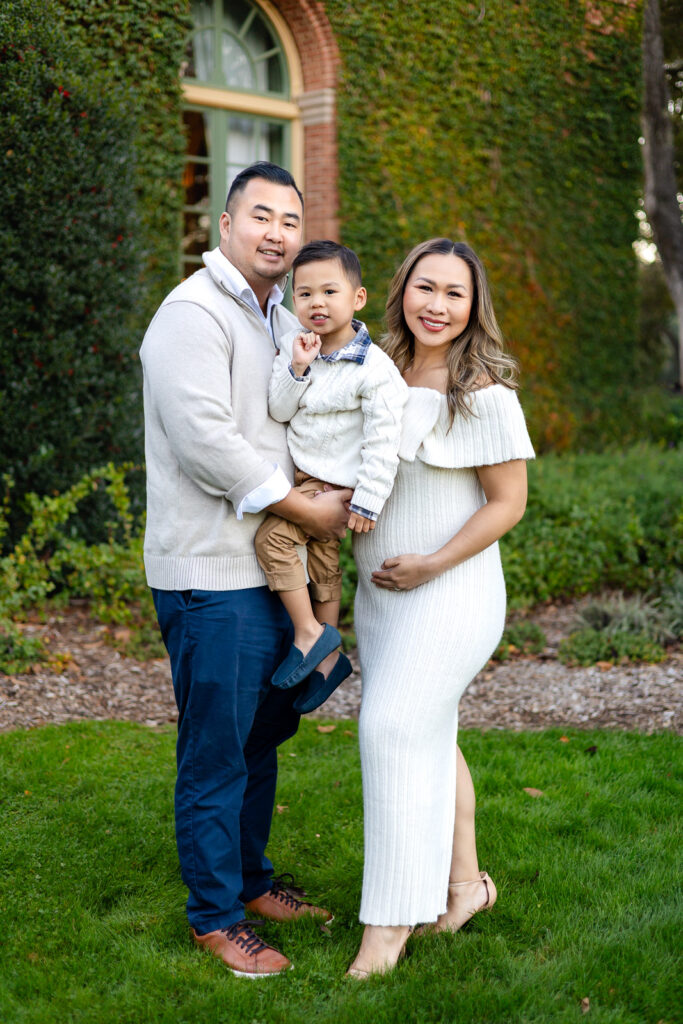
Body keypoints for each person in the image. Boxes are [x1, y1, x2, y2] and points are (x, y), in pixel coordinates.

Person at [140, 162, 352, 978]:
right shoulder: (191, 314)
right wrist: (304, 510)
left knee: (262, 739)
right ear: (223, 225)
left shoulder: (272, 314)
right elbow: (204, 442)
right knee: (217, 751)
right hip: (210, 576)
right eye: (260, 215)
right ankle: (215, 917)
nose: (276, 232)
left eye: (290, 220)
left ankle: (253, 883)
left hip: (265, 573)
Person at [347, 238, 535, 978]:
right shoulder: (375, 371)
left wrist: (429, 563)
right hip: (380, 601)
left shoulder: (481, 387)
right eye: (424, 288)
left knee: (391, 727)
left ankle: (388, 925)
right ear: (400, 292)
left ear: (471, 305)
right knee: (427, 731)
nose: (436, 305)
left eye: (453, 294)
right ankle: (464, 886)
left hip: (451, 592)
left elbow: (507, 503)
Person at [254, 240, 407, 703]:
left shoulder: (374, 370)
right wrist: (297, 368)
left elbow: (385, 438)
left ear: (357, 298)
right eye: (304, 294)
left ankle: (308, 634)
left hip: (337, 487)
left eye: (329, 292)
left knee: (272, 541)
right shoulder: (296, 349)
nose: (316, 303)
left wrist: (368, 497)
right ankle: (327, 658)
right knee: (322, 567)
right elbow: (279, 410)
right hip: (305, 482)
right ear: (292, 298)